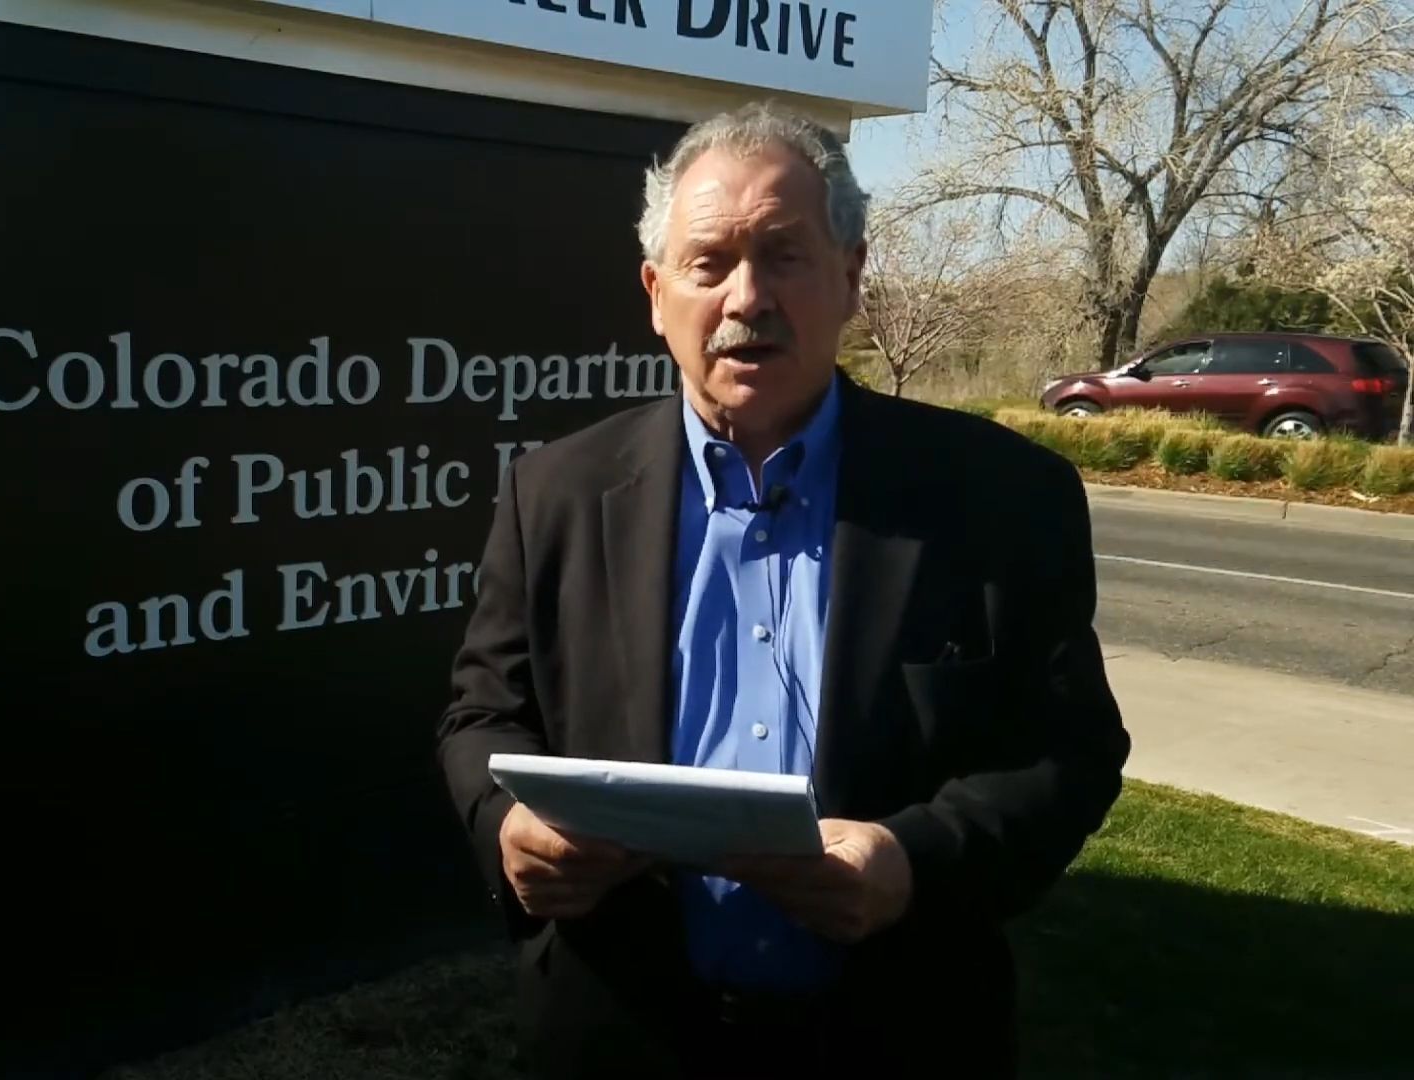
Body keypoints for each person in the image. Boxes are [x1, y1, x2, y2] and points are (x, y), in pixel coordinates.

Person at [434, 100, 1131, 1079]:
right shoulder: (554, 491)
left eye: (786, 254)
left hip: (898, 1034)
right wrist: (508, 827)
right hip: (620, 1032)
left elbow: (1069, 751)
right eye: (709, 261)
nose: (746, 296)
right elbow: (482, 715)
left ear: (851, 276)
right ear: (655, 292)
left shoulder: (1000, 498)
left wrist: (910, 861)